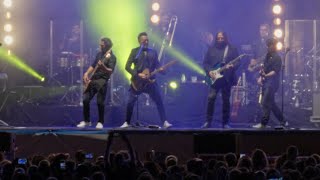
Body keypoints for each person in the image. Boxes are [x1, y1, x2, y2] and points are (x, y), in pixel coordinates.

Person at [120, 32, 172, 128]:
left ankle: (164, 122)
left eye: (147, 40)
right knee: (131, 101)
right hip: (137, 82)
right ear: (139, 41)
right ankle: (126, 122)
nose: (146, 41)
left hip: (150, 81)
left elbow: (158, 65)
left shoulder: (153, 52)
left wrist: (162, 70)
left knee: (159, 100)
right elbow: (127, 66)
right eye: (144, 40)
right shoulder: (135, 51)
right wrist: (137, 74)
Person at [202, 31, 240, 128]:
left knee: (226, 100)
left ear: (225, 38)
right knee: (211, 98)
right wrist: (209, 71)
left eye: (222, 38)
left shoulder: (232, 49)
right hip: (214, 78)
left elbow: (238, 62)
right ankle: (208, 122)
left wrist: (232, 66)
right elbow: (205, 63)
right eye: (218, 38)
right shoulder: (211, 49)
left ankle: (225, 123)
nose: (220, 40)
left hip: (226, 78)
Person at [76, 37, 116, 129]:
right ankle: (87, 121)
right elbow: (93, 65)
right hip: (94, 78)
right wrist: (86, 73)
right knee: (86, 99)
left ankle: (100, 122)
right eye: (100, 44)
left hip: (103, 79)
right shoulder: (99, 54)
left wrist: (103, 67)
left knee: (100, 101)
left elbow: (110, 70)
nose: (100, 46)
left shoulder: (112, 57)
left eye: (102, 44)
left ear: (107, 45)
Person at [252, 38, 288, 128]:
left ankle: (263, 123)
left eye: (272, 45)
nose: (270, 47)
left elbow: (275, 71)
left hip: (273, 83)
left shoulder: (277, 57)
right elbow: (264, 68)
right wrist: (261, 77)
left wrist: (266, 75)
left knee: (265, 102)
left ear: (274, 45)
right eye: (268, 45)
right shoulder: (267, 56)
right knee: (271, 104)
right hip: (266, 82)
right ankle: (283, 120)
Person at [246, 24, 271, 122]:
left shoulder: (270, 42)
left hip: (266, 67)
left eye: (264, 30)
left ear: (268, 31)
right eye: (261, 30)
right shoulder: (256, 42)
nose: (262, 32)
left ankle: (263, 113)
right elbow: (253, 53)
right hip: (257, 68)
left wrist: (257, 61)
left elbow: (269, 55)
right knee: (252, 78)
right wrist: (252, 62)